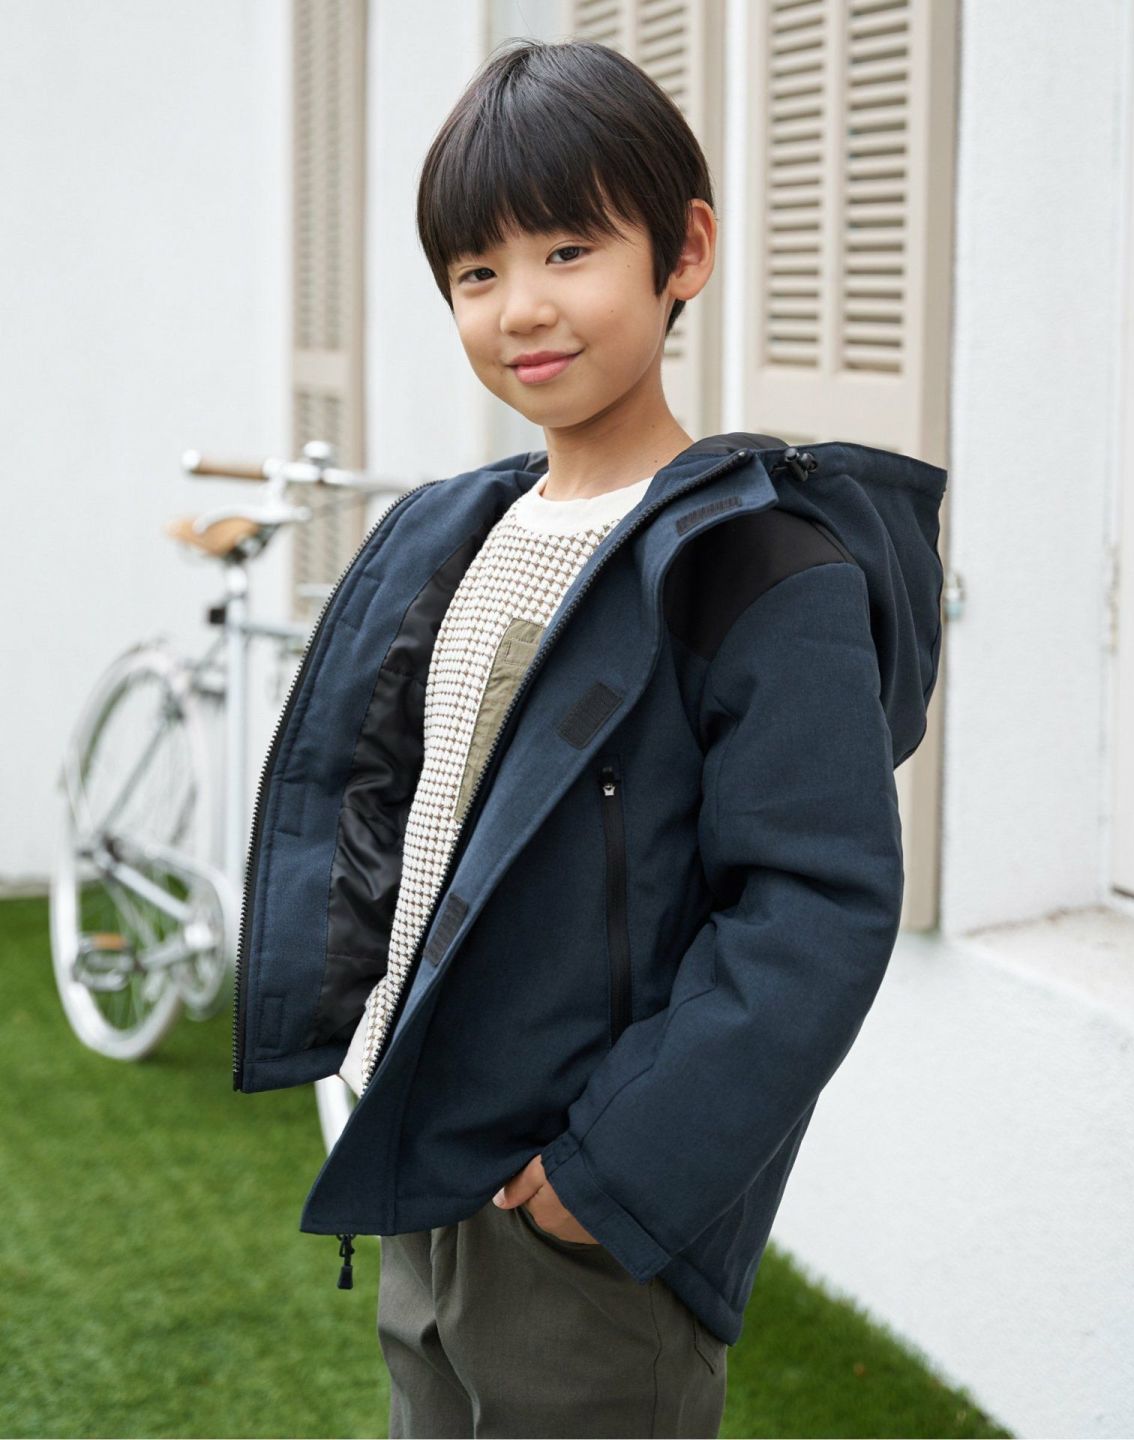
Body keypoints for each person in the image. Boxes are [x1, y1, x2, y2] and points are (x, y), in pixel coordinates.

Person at [233, 35, 947, 1440]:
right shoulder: (459, 531)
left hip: (583, 1204)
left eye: (569, 250)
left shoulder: (756, 563)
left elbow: (816, 907)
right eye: (477, 272)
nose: (523, 308)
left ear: (685, 252)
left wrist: (609, 1172)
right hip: (423, 1147)